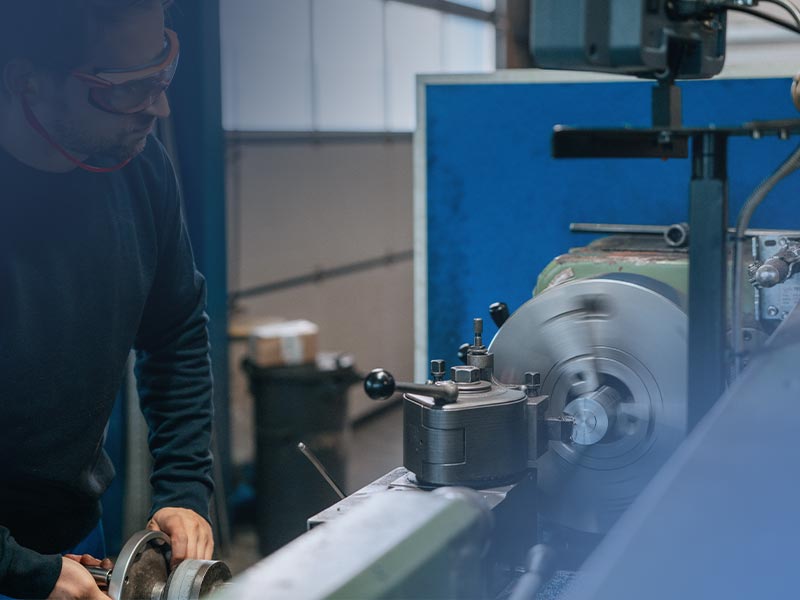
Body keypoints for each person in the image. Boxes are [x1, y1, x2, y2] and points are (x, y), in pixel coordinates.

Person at [0, 1, 215, 598]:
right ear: (27, 81)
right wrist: (22, 571)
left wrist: (183, 491)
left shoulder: (139, 168)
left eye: (162, 75)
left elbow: (175, 331)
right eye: (124, 89)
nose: (158, 108)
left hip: (72, 536)